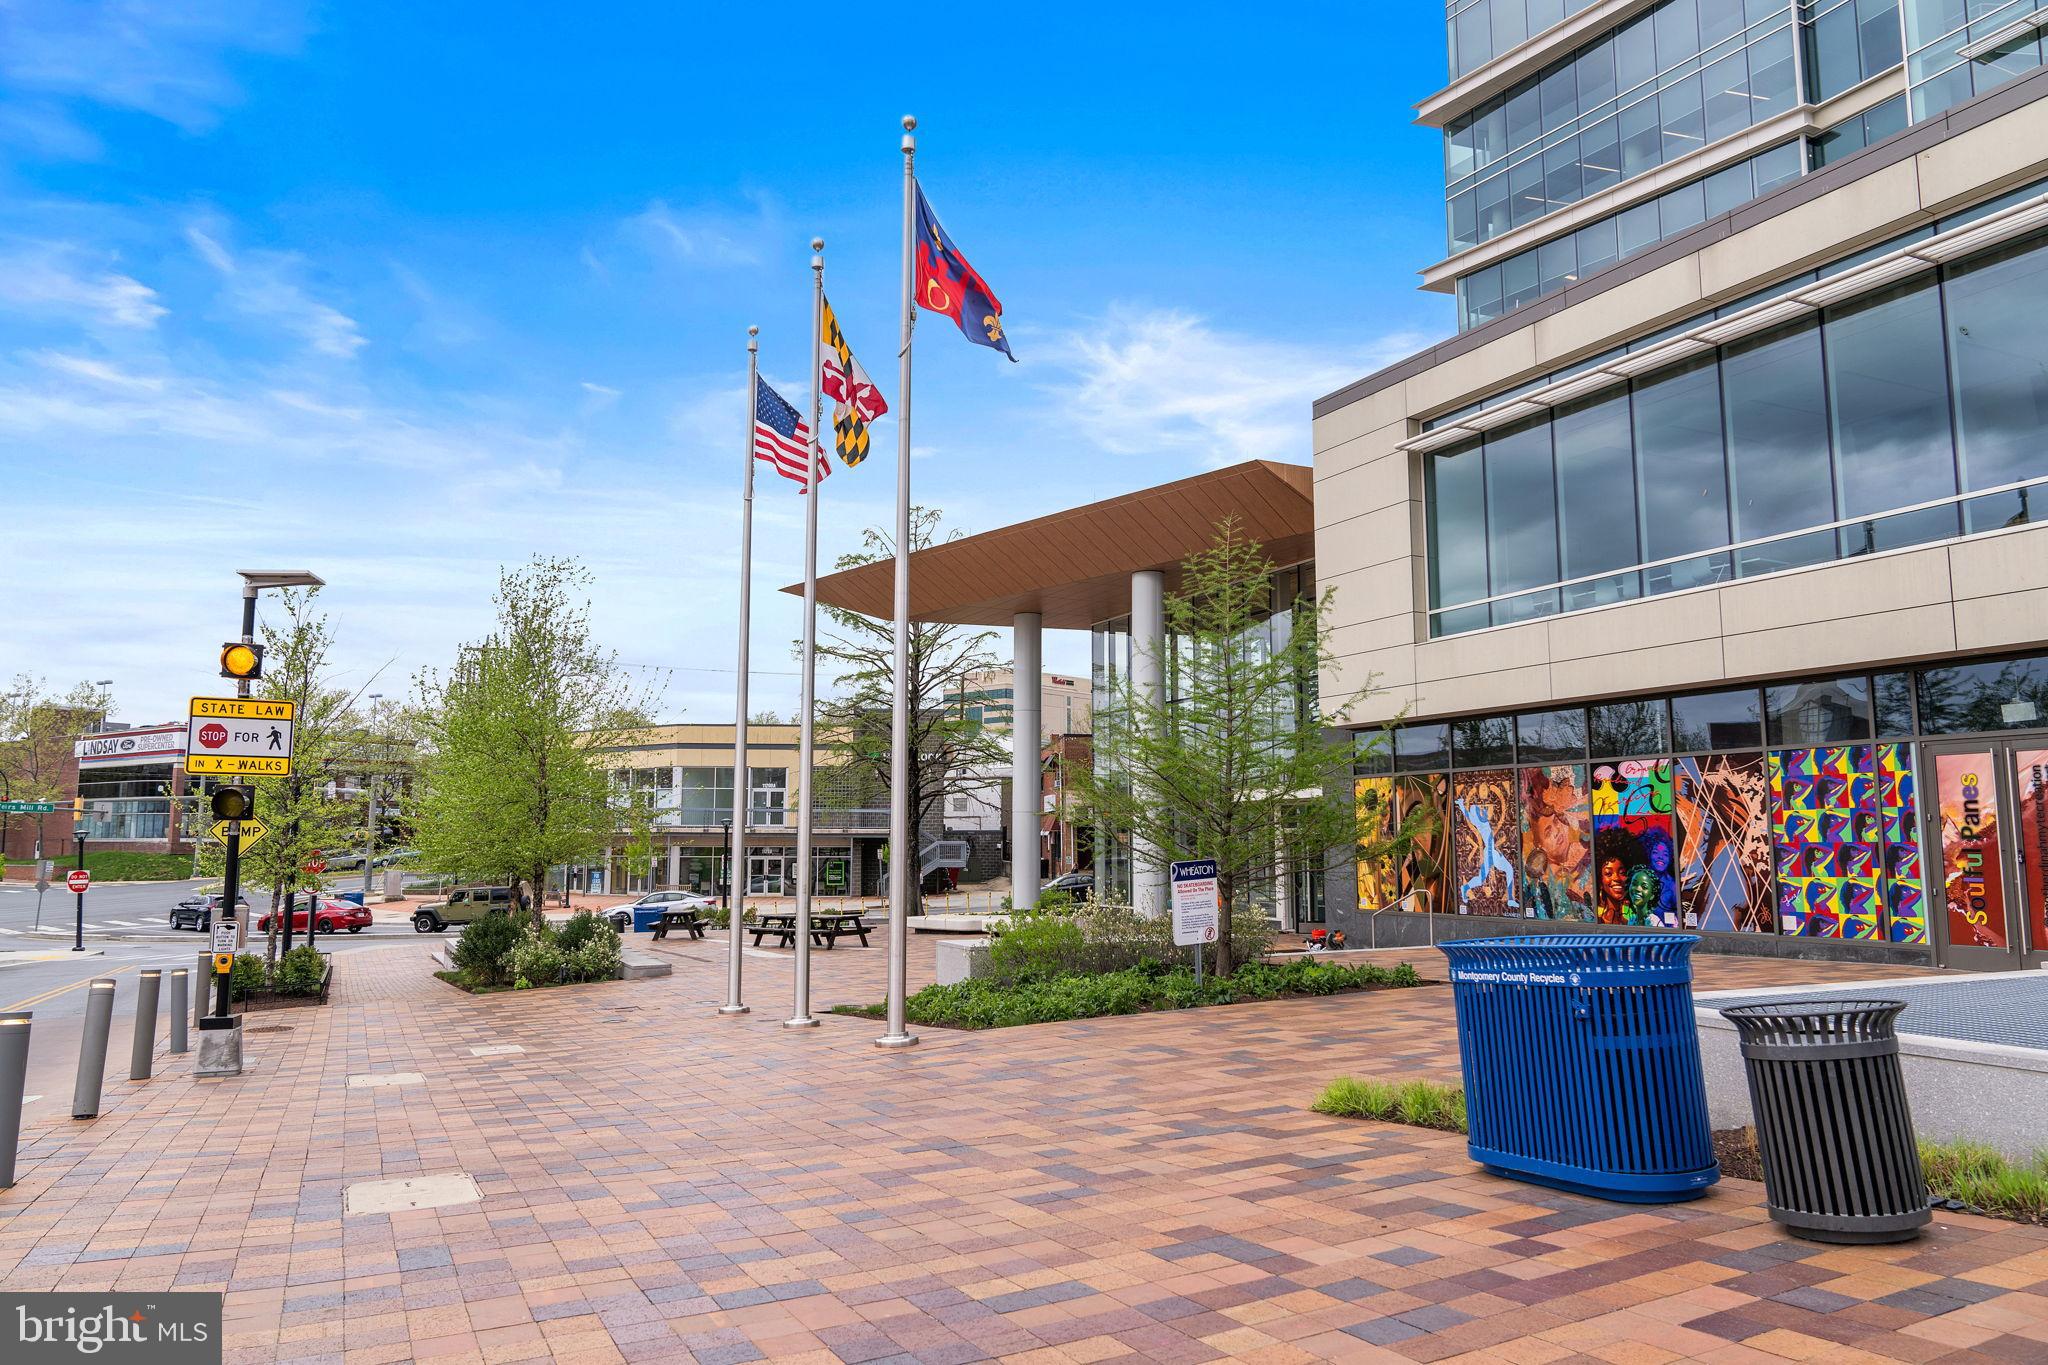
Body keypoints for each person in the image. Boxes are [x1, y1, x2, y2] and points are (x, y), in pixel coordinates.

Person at [1456, 795, 1518, 912]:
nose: (1483, 810)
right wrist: (1461, 806)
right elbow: (1469, 816)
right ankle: (1465, 888)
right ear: (1477, 815)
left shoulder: (1484, 821)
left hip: (1492, 851)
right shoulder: (1479, 822)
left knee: (1507, 871)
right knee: (1485, 878)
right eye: (1480, 810)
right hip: (1490, 853)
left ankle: (1510, 898)